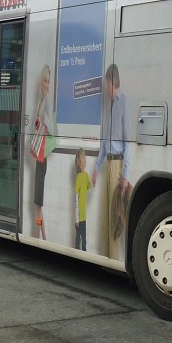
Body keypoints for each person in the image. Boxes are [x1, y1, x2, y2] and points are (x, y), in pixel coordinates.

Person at [93, 63, 130, 260]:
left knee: (116, 217)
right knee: (106, 216)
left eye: (107, 85)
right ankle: (108, 258)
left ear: (113, 83)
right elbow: (105, 141)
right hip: (108, 163)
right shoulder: (109, 106)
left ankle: (115, 260)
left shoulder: (123, 103)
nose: (106, 89)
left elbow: (128, 142)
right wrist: (97, 167)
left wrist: (125, 175)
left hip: (117, 165)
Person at [29, 64, 52, 239]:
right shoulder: (41, 101)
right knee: (38, 203)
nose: (46, 85)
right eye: (44, 81)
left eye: (48, 82)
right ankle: (41, 236)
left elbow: (50, 129)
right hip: (39, 157)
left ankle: (40, 236)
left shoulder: (46, 103)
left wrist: (45, 120)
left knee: (38, 202)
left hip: (42, 157)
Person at [72, 148, 91, 251]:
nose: (85, 158)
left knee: (84, 239)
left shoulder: (86, 175)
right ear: (80, 162)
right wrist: (76, 219)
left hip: (84, 216)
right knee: (78, 239)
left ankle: (84, 254)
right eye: (84, 157)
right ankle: (76, 254)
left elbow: (89, 187)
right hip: (79, 217)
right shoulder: (79, 177)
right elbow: (76, 199)